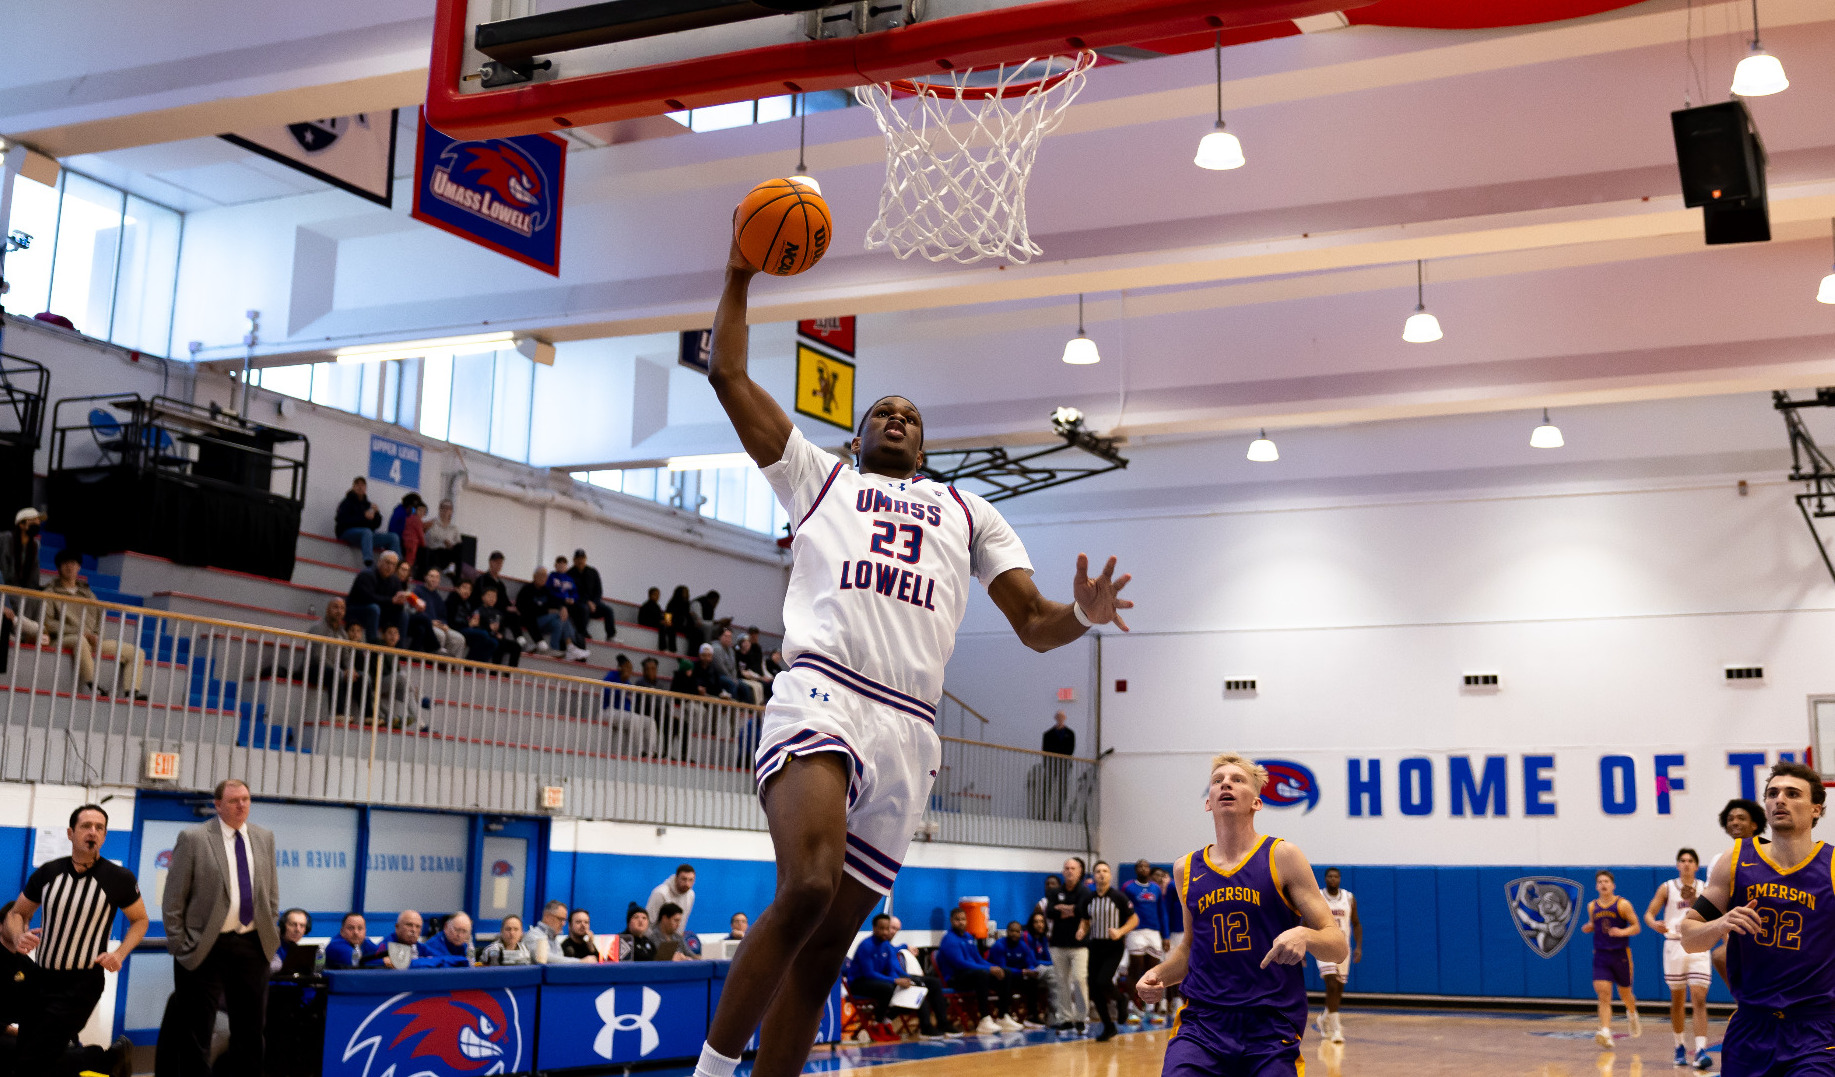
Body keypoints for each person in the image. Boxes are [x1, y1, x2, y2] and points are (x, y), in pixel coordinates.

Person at [689, 236, 1132, 1077]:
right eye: (880, 412)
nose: (896, 416)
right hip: (822, 692)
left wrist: (1082, 611)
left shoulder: (969, 511)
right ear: (856, 440)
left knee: (825, 950)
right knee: (808, 886)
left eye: (911, 416)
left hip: (910, 732)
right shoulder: (819, 479)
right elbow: (728, 378)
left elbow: (1034, 621)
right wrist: (738, 272)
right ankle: (710, 1071)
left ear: (923, 449)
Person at [1136, 753, 1348, 1077]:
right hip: (1204, 1023)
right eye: (1218, 781)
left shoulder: (1283, 856)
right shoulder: (1186, 868)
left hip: (1270, 1022)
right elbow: (1191, 948)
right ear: (1208, 802)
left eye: (1237, 780)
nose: (1226, 784)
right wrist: (1160, 975)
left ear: (1257, 802)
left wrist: (1305, 935)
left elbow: (1337, 945)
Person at [1680, 761, 1831, 1077]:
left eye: (1793, 794)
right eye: (1773, 793)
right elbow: (1689, 937)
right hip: (1751, 1028)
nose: (1780, 800)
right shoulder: (1733, 862)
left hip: (1816, 1029)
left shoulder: (1831, 865)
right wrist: (1719, 924)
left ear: (1817, 809)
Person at [0, 804, 148, 1074]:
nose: (93, 832)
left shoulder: (119, 878)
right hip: (40, 979)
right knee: (28, 1052)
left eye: (99, 827)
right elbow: (17, 913)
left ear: (104, 836)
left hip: (81, 983)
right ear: (71, 833)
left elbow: (140, 920)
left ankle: (104, 1059)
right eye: (86, 826)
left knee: (37, 1055)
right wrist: (18, 935)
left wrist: (120, 953)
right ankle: (109, 1061)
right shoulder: (48, 873)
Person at [155, 778, 281, 1077]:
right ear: (218, 804)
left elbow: (271, 893)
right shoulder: (194, 837)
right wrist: (179, 944)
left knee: (251, 1030)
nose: (242, 805)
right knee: (196, 1029)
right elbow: (173, 898)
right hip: (204, 945)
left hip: (252, 943)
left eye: (246, 799)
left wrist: (270, 930)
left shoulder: (264, 837)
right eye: (235, 800)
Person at [41, 548, 149, 700]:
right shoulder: (50, 592)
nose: (69, 567)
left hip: (91, 640)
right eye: (65, 563)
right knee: (81, 640)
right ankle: (92, 685)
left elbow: (99, 620)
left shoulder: (88, 594)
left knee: (136, 652)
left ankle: (131, 693)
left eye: (73, 563)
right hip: (63, 640)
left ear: (79, 567)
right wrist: (80, 632)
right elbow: (48, 623)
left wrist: (97, 635)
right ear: (58, 567)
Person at [1644, 848, 1712, 1069]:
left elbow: (1716, 914)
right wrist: (1654, 924)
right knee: (1678, 1000)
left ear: (1696, 865)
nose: (1686, 864)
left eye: (1690, 860)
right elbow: (1648, 914)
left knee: (1699, 998)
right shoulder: (1667, 887)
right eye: (1682, 860)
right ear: (1677, 865)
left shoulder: (1705, 888)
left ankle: (1701, 1049)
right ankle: (1679, 1045)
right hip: (1674, 944)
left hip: (1699, 944)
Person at [847, 913, 952, 1039]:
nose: (886, 932)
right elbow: (869, 973)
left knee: (918, 984)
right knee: (888, 988)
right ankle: (878, 1021)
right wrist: (895, 980)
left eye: (887, 928)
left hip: (879, 980)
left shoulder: (886, 945)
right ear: (874, 928)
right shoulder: (866, 946)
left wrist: (903, 979)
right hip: (859, 983)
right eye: (882, 928)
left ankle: (936, 1024)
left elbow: (891, 968)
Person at [1708, 796, 1768, 983]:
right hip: (1739, 930)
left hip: (1770, 927)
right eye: (1731, 819)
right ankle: (1744, 1004)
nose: (1735, 822)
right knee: (1720, 956)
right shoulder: (1720, 861)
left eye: (1741, 818)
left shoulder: (1769, 851)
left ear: (1754, 824)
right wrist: (1727, 936)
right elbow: (1716, 907)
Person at [1581, 869, 1641, 1048]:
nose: (1603, 884)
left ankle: (1632, 1013)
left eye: (1606, 881)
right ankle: (1605, 1031)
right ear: (1596, 886)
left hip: (1620, 955)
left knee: (1625, 994)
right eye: (1600, 882)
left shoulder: (1622, 905)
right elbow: (1596, 924)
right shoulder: (1592, 906)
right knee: (1604, 994)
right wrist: (1590, 927)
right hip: (1601, 955)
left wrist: (1622, 932)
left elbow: (1636, 927)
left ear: (1613, 885)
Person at [937, 906, 1022, 1033]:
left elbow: (978, 959)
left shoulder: (969, 937)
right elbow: (960, 964)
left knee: (1006, 972)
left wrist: (993, 967)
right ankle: (984, 1019)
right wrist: (988, 969)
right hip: (955, 977)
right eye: (957, 919)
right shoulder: (949, 939)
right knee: (982, 974)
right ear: (951, 921)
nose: (961, 922)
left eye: (963, 919)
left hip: (973, 974)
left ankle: (1003, 1016)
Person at [1083, 861, 1138, 1041]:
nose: (1101, 874)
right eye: (1098, 871)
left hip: (1113, 947)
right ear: (1093, 876)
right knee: (1094, 986)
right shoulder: (1089, 899)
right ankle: (1108, 1026)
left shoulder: (1118, 897)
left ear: (1110, 875)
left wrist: (1120, 931)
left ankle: (1121, 999)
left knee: (1103, 980)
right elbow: (1085, 919)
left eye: (1105, 871)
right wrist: (1082, 929)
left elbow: (1134, 919)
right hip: (1095, 945)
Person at [1312, 867, 1361, 1044]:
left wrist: (1359, 947)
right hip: (1323, 945)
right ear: (1325, 879)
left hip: (1343, 948)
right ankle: (1336, 1029)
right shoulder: (1318, 896)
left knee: (1338, 989)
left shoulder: (1349, 898)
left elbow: (1356, 923)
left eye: (1336, 876)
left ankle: (1325, 1018)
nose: (1333, 879)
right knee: (1331, 984)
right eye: (1330, 876)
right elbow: (1305, 921)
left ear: (1340, 879)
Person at [1045, 861, 1091, 1033]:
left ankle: (1081, 1018)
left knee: (1079, 980)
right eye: (1067, 868)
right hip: (1057, 944)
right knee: (1061, 982)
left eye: (1073, 868)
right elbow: (1050, 912)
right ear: (1062, 872)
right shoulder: (1054, 892)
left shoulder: (1085, 892)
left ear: (1080, 872)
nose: (1069, 871)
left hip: (1079, 946)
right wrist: (1072, 909)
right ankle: (1065, 1019)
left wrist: (1064, 909)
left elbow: (1083, 911)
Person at [1121, 858, 1166, 1024]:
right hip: (1135, 931)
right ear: (1135, 869)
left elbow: (1162, 912)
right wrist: (1123, 931)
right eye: (1140, 866)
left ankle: (1151, 1010)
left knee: (1153, 973)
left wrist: (1165, 935)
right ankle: (1132, 1008)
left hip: (1154, 932)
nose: (1143, 868)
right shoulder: (1127, 887)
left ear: (1149, 870)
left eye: (1146, 866)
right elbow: (1121, 909)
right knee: (1134, 970)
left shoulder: (1155, 888)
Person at [987, 920, 1050, 1028]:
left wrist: (1031, 971)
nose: (1014, 934)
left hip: (1015, 977)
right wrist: (1022, 972)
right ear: (1007, 932)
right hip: (996, 979)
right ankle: (1003, 1016)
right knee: (1006, 976)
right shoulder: (1000, 945)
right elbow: (1002, 969)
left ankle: (1032, 1016)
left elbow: (1029, 963)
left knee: (1032, 981)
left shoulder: (1022, 945)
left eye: (1017, 931)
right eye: (1012, 931)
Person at [346, 550, 411, 644]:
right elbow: (368, 598)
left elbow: (396, 605)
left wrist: (400, 602)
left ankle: (399, 652)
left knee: (403, 615)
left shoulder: (395, 580)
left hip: (379, 614)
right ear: (379, 562)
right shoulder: (366, 575)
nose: (390, 567)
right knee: (374, 608)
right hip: (357, 611)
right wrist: (391, 601)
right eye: (387, 562)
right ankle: (373, 649)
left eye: (393, 565)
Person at [335, 477, 398, 566]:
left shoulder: (368, 505)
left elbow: (376, 525)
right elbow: (342, 521)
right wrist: (363, 516)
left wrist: (376, 515)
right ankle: (369, 563)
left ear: (365, 488)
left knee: (393, 537)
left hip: (366, 536)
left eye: (363, 485)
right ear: (353, 487)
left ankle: (398, 566)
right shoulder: (346, 503)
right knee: (366, 532)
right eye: (357, 485)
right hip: (347, 533)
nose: (360, 487)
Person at [416, 567, 465, 658]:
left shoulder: (438, 597)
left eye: (437, 577)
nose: (434, 579)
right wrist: (431, 622)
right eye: (431, 576)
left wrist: (444, 624)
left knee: (459, 639)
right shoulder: (418, 591)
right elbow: (416, 611)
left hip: (438, 625)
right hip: (426, 624)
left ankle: (452, 667)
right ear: (425, 577)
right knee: (440, 634)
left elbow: (443, 615)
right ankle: (434, 663)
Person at [569, 549, 617, 641]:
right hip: (578, 604)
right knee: (584, 608)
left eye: (582, 558)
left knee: (608, 610)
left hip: (593, 604)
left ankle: (611, 636)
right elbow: (572, 593)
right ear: (574, 560)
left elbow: (598, 591)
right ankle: (582, 633)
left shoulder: (593, 572)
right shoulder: (569, 574)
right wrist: (587, 602)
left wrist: (594, 603)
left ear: (585, 559)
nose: (580, 561)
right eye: (578, 558)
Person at [473, 585, 522, 666]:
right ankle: (494, 671)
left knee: (516, 646)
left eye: (494, 596)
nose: (492, 598)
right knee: (498, 644)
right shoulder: (479, 611)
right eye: (489, 596)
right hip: (486, 636)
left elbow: (501, 627)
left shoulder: (498, 613)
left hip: (497, 637)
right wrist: (489, 628)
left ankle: (510, 673)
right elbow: (476, 625)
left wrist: (501, 634)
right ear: (482, 597)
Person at [324, 913, 388, 969]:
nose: (356, 932)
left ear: (365, 931)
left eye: (360, 928)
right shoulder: (336, 945)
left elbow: (380, 952)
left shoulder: (364, 942)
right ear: (342, 931)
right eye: (351, 928)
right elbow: (354, 962)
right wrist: (383, 961)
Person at [708, 628, 754, 703]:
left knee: (745, 687)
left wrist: (734, 677)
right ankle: (732, 707)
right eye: (726, 636)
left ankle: (746, 709)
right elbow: (720, 667)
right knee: (731, 684)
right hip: (718, 675)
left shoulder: (731, 650)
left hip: (730, 676)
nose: (728, 639)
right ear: (720, 637)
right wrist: (732, 678)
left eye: (730, 637)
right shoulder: (716, 648)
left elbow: (734, 667)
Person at [648, 864, 697, 929]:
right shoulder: (660, 893)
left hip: (675, 938)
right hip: (655, 937)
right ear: (676, 878)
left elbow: (682, 924)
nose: (687, 884)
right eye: (684, 879)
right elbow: (649, 923)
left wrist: (677, 939)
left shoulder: (691, 894)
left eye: (691, 880)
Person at [422, 499, 463, 576]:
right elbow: (428, 540)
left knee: (459, 548)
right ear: (440, 509)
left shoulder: (454, 528)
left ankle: (454, 573)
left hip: (448, 554)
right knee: (438, 552)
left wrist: (451, 545)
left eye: (449, 508)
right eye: (444, 507)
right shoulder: (432, 523)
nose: (446, 510)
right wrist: (443, 541)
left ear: (452, 511)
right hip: (434, 551)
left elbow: (458, 545)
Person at [665, 585, 703, 655]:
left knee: (699, 633)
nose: (687, 594)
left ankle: (694, 653)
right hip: (675, 625)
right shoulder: (673, 603)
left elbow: (688, 617)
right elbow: (668, 614)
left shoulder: (686, 604)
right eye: (685, 592)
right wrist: (668, 622)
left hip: (684, 626)